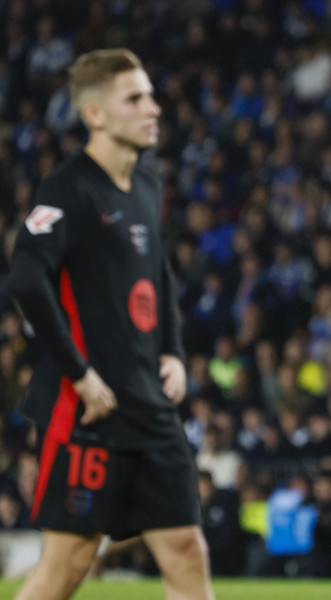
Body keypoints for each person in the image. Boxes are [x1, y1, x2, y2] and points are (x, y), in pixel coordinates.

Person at [7, 49, 214, 600]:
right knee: (67, 566)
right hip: (88, 410)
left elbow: (159, 273)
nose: (153, 107)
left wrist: (171, 349)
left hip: (148, 402)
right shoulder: (68, 188)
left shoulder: (145, 184)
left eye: (150, 94)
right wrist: (79, 374)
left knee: (187, 549)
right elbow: (26, 278)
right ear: (95, 114)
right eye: (135, 98)